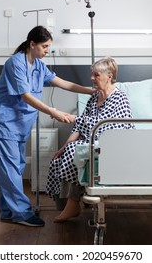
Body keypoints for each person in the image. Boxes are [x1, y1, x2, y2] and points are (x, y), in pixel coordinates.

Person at [0, 26, 95, 227]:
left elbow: (61, 82)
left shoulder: (38, 65)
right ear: (32, 44)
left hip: (19, 125)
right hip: (4, 122)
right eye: (44, 46)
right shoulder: (15, 63)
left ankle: (7, 211)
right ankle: (22, 213)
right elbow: (25, 95)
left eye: (49, 47)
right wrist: (54, 112)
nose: (47, 50)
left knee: (14, 168)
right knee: (10, 169)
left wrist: (90, 91)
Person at [46, 57, 134, 223]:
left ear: (109, 76)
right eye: (92, 75)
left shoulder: (119, 98)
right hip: (88, 143)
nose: (92, 78)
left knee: (75, 151)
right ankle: (69, 204)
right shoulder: (93, 99)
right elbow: (79, 129)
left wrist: (74, 118)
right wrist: (63, 147)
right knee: (61, 157)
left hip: (111, 145)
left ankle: (72, 204)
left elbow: (108, 128)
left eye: (96, 75)